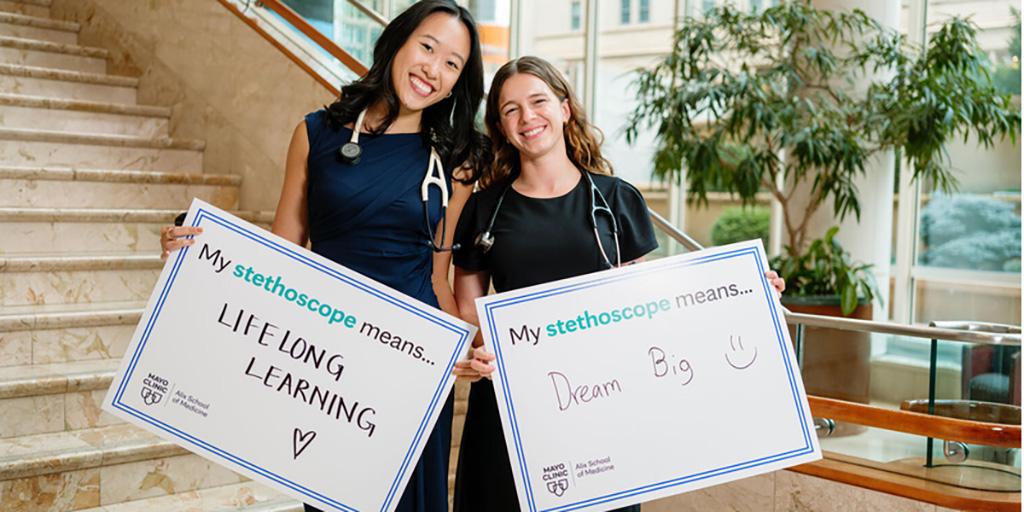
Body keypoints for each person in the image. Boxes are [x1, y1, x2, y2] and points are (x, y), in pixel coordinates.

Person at [159, 2, 489, 511]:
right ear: (397, 42)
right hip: (328, 353)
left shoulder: (454, 159)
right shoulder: (316, 133)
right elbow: (281, 253)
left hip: (409, 356)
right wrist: (198, 256)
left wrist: (462, 344)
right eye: (427, 47)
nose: (433, 68)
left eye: (452, 64)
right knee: (336, 494)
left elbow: (439, 277)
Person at [448, 56, 786, 511]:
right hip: (512, 399)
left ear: (565, 109)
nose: (527, 117)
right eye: (510, 110)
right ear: (500, 126)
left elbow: (649, 302)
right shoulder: (486, 207)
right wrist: (492, 346)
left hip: (601, 401)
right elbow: (469, 304)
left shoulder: (614, 199)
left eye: (538, 101)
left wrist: (741, 290)